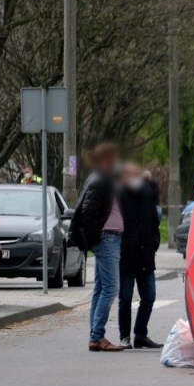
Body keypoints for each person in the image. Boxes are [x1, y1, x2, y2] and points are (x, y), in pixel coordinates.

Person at [70, 143, 125, 352]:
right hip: (107, 239)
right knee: (111, 288)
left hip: (110, 238)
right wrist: (96, 239)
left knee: (101, 288)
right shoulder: (101, 180)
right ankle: (97, 336)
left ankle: (95, 333)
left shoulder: (105, 179)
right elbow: (88, 212)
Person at [118, 163, 162, 349]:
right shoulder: (119, 195)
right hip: (126, 255)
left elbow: (154, 222)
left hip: (145, 253)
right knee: (126, 298)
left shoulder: (146, 194)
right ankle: (124, 337)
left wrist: (153, 244)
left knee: (149, 296)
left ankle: (140, 335)